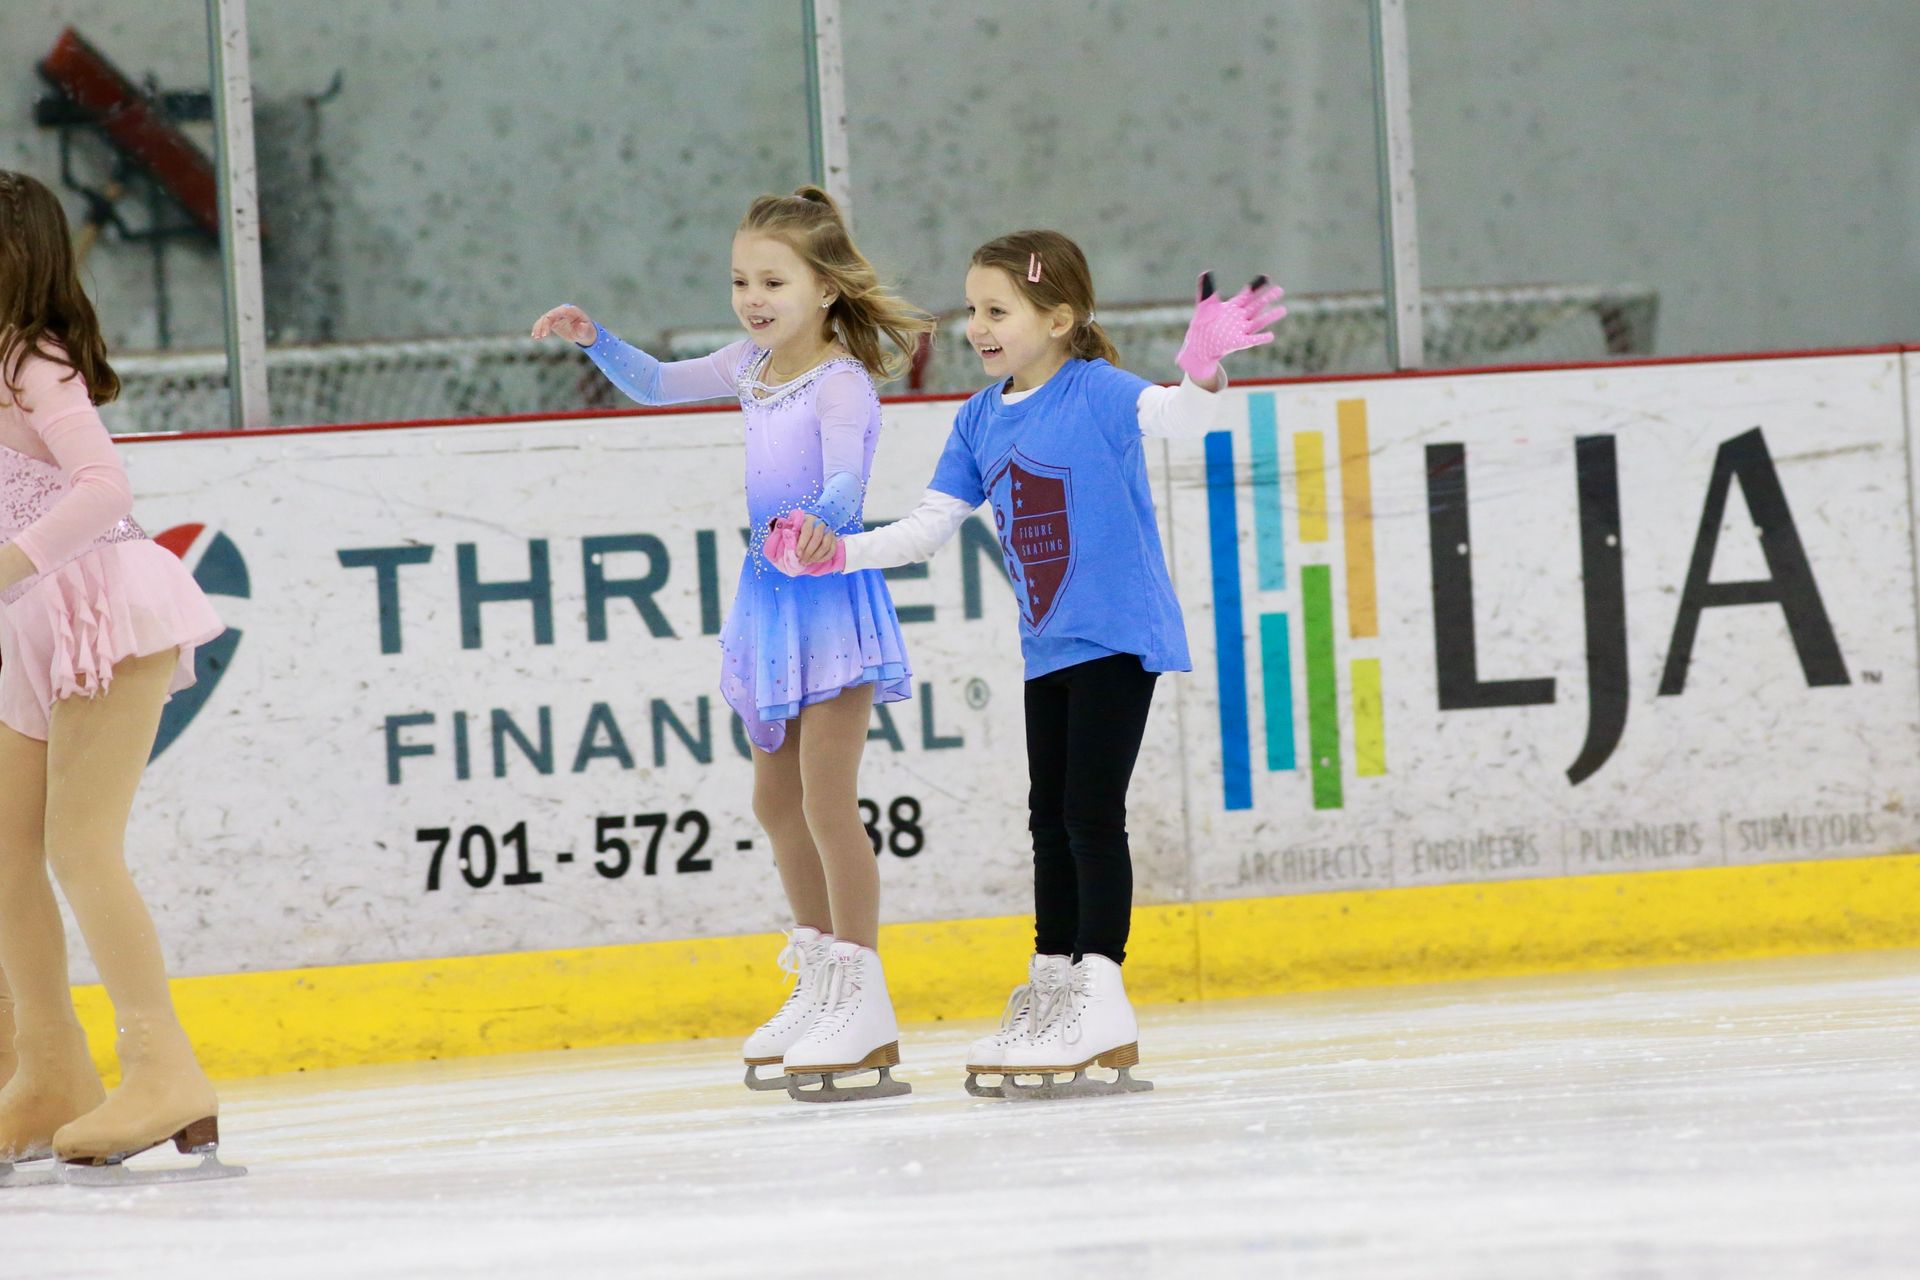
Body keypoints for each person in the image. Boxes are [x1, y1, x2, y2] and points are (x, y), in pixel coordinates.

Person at [778, 229, 1283, 1098]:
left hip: (1119, 636)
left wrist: (1202, 368)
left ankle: (1101, 988)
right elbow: (930, 526)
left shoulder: (1096, 391)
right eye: (972, 308)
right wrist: (840, 555)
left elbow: (1179, 417)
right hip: (1048, 647)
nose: (977, 325)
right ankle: (1055, 981)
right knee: (1047, 817)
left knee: (1089, 814)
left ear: (1061, 318)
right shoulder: (978, 418)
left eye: (997, 310)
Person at [532, 186, 933, 1102]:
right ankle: (823, 975)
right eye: (741, 280)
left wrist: (822, 527)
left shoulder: (841, 383)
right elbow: (659, 382)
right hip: (767, 600)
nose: (753, 297)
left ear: (826, 288)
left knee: (828, 801)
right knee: (775, 800)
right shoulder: (751, 364)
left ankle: (864, 998)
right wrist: (597, 340)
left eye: (773, 281)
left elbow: (845, 481)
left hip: (825, 594)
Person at [0, 169, 235, 1180]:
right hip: (28, 628)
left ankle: (164, 1067)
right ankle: (50, 1067)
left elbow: (105, 485)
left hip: (99, 607)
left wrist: (10, 562)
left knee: (81, 848)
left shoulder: (33, 361)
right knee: (8, 852)